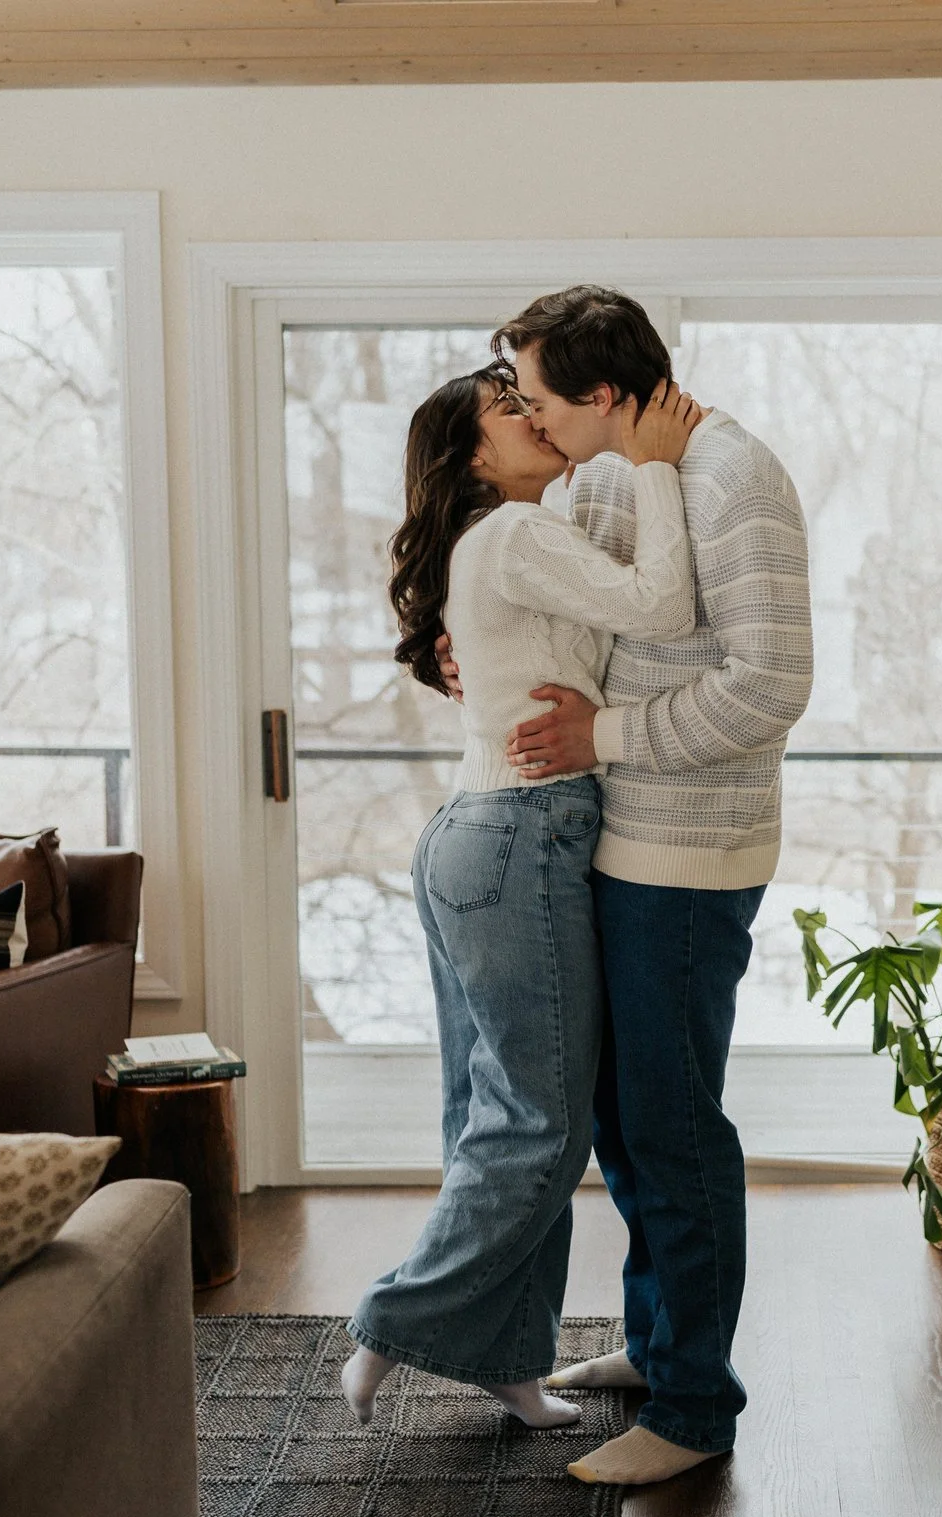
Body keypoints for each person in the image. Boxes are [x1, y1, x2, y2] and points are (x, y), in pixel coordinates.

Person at [493, 286, 814, 1487]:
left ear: (607, 395)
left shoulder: (734, 475)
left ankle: (693, 1409)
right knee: (631, 1122)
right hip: (629, 842)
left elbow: (771, 682)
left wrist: (606, 738)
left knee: (675, 1131)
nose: (527, 416)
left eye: (538, 398)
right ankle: (655, 1343)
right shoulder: (630, 469)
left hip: (689, 854)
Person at [343, 365, 704, 1431]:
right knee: (540, 1125)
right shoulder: (510, 531)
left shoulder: (504, 538)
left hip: (478, 836)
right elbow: (664, 603)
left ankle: (506, 1355)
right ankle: (393, 1318)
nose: (534, 417)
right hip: (521, 836)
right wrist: (657, 471)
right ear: (472, 457)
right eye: (512, 410)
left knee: (490, 1117)